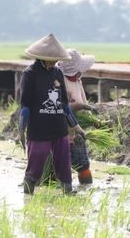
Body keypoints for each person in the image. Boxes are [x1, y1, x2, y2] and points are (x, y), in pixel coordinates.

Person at [19, 34, 85, 194]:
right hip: (39, 129)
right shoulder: (30, 74)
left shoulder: (57, 73)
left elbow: (63, 104)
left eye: (56, 59)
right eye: (52, 59)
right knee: (36, 165)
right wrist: (21, 130)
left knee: (64, 164)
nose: (54, 62)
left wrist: (76, 126)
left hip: (59, 128)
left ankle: (68, 192)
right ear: (42, 57)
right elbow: (25, 105)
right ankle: (28, 194)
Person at [57, 49, 97, 185]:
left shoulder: (77, 80)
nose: (82, 71)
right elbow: (63, 107)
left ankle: (86, 188)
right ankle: (63, 189)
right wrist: (82, 106)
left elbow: (82, 102)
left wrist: (93, 120)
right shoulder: (60, 82)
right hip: (64, 128)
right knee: (63, 163)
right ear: (72, 69)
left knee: (83, 165)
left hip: (78, 128)